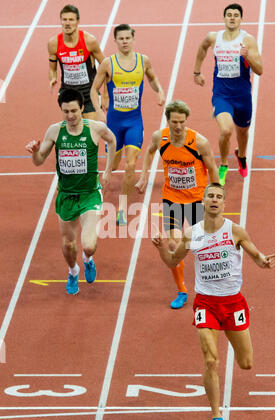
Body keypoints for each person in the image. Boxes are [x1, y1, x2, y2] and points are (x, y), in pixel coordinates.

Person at [152, 182, 275, 420]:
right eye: (210, 195)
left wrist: (263, 261)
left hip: (233, 304)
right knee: (210, 360)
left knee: (246, 363)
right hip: (206, 304)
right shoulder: (192, 234)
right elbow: (172, 262)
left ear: (224, 203)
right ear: (203, 200)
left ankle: (219, 403)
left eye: (219, 197)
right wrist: (161, 248)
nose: (214, 200)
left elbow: (256, 255)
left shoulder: (235, 231)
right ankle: (216, 415)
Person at [26, 89, 116, 295]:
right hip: (66, 195)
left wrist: (108, 169)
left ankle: (88, 260)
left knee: (89, 245)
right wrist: (34, 153)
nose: (70, 116)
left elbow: (112, 141)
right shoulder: (55, 131)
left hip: (90, 194)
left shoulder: (96, 128)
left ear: (82, 108)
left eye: (74, 110)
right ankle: (73, 270)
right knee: (68, 245)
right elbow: (39, 161)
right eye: (65, 111)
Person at [136, 100, 219, 309]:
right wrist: (144, 176)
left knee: (201, 247)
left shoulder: (199, 142)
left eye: (182, 122)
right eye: (175, 122)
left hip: (196, 200)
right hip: (171, 199)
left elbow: (212, 168)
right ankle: (181, 289)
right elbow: (149, 151)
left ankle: (210, 286)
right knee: (174, 245)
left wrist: (215, 195)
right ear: (168, 120)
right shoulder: (160, 137)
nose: (179, 126)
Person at [90, 23, 165, 225]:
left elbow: (153, 79)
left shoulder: (143, 61)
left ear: (133, 39)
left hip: (134, 122)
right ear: (115, 41)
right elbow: (93, 89)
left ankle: (122, 208)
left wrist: (159, 91)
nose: (124, 41)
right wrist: (98, 110)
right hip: (114, 124)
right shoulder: (108, 63)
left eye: (127, 38)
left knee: (131, 164)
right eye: (120, 38)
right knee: (112, 165)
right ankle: (95, 186)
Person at [193, 3, 263, 186]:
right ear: (224, 18)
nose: (232, 17)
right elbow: (201, 49)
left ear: (241, 19)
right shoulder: (213, 37)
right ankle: (223, 164)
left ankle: (241, 155)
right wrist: (197, 72)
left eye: (236, 15)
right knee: (225, 129)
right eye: (229, 14)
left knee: (243, 133)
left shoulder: (248, 40)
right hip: (221, 94)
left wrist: (247, 57)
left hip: (242, 95)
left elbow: (260, 70)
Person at [48, 4, 106, 121]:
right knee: (73, 131)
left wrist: (106, 94)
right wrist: (53, 78)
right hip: (68, 92)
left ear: (78, 21)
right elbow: (52, 69)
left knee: (90, 131)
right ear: (61, 21)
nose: (67, 23)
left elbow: (106, 67)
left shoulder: (89, 41)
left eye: (71, 20)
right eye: (64, 20)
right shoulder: (53, 43)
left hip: (89, 92)